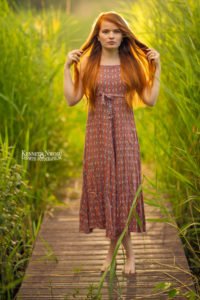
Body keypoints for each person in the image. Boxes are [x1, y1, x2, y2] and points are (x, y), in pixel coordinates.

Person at [63, 11, 161, 275]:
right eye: (106, 31)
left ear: (123, 35)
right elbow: (72, 99)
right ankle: (118, 252)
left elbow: (150, 100)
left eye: (116, 31)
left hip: (125, 133)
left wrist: (157, 69)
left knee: (125, 188)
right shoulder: (88, 64)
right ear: (97, 34)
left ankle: (120, 253)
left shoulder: (131, 64)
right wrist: (65, 68)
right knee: (106, 187)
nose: (111, 36)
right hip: (97, 135)